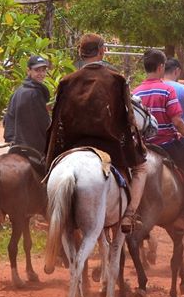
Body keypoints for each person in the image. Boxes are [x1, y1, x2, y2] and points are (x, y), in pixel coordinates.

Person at [46, 33, 147, 233]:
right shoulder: (117, 80)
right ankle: (129, 214)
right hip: (110, 147)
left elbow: (57, 120)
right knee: (141, 168)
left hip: (73, 146)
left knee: (50, 172)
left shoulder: (67, 81)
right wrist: (134, 146)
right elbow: (127, 118)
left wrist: (53, 152)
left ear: (80, 52)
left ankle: (48, 211)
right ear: (102, 51)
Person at [134, 49, 184, 232]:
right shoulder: (167, 90)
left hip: (144, 147)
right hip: (168, 143)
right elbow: (177, 121)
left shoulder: (136, 91)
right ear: (161, 67)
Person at [2, 55, 52, 156]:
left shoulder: (18, 91)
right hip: (32, 146)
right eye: (37, 70)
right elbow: (44, 123)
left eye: (43, 70)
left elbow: (7, 119)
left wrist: (11, 139)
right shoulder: (35, 93)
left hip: (15, 145)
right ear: (28, 71)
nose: (41, 74)